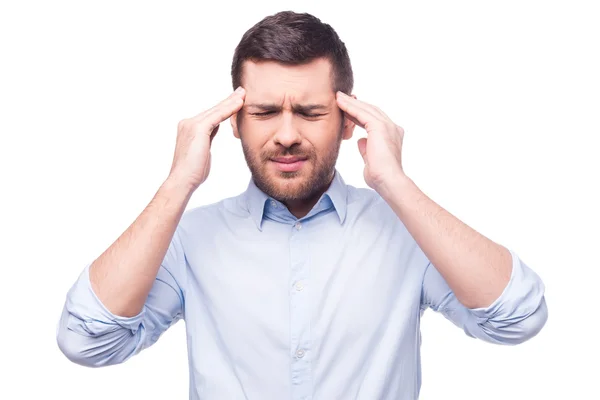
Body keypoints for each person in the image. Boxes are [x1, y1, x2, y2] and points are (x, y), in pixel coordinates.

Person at [56, 10, 548, 400]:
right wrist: (178, 182)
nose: (287, 135)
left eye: (311, 113)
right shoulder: (189, 240)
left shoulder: (407, 233)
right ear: (233, 122)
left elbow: (518, 319)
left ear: (350, 119)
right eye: (265, 112)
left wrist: (394, 182)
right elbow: (86, 342)